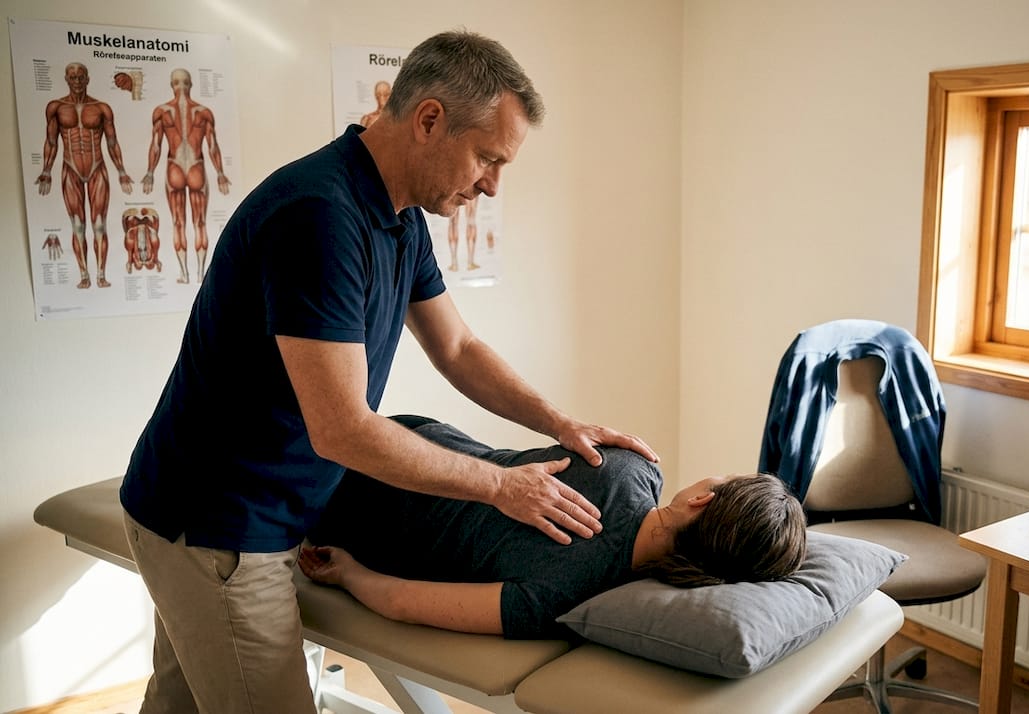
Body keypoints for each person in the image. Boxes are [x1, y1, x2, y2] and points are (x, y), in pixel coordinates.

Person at [119, 30, 656, 714]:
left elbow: (457, 347)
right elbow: (342, 429)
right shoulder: (320, 216)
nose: (491, 185)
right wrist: (500, 486)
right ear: (430, 120)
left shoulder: (398, 216)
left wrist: (558, 422)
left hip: (259, 508)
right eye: (488, 159)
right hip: (220, 522)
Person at [302, 417, 807, 638]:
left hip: (387, 449)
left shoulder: (633, 464)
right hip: (347, 519)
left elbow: (404, 605)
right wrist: (348, 574)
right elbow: (399, 601)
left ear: (701, 500)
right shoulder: (570, 602)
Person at [36, 62, 133, 289]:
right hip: (70, 168)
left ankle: (100, 274)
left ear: (88, 79)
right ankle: (84, 275)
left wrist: (121, 172)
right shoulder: (56, 107)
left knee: (99, 225)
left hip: (97, 166)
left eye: (81, 77)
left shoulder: (102, 108)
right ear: (67, 79)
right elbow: (51, 142)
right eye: (73, 77)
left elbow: (112, 142)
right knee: (78, 225)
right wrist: (46, 171)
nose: (77, 81)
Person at [142, 67, 232, 284]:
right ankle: (200, 274)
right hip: (195, 167)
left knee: (178, 223)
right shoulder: (202, 112)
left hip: (175, 167)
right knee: (198, 222)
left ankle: (186, 274)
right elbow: (212, 146)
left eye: (182, 83)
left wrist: (150, 173)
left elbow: (156, 145)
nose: (181, 88)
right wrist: (219, 173)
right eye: (178, 83)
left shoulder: (162, 111)